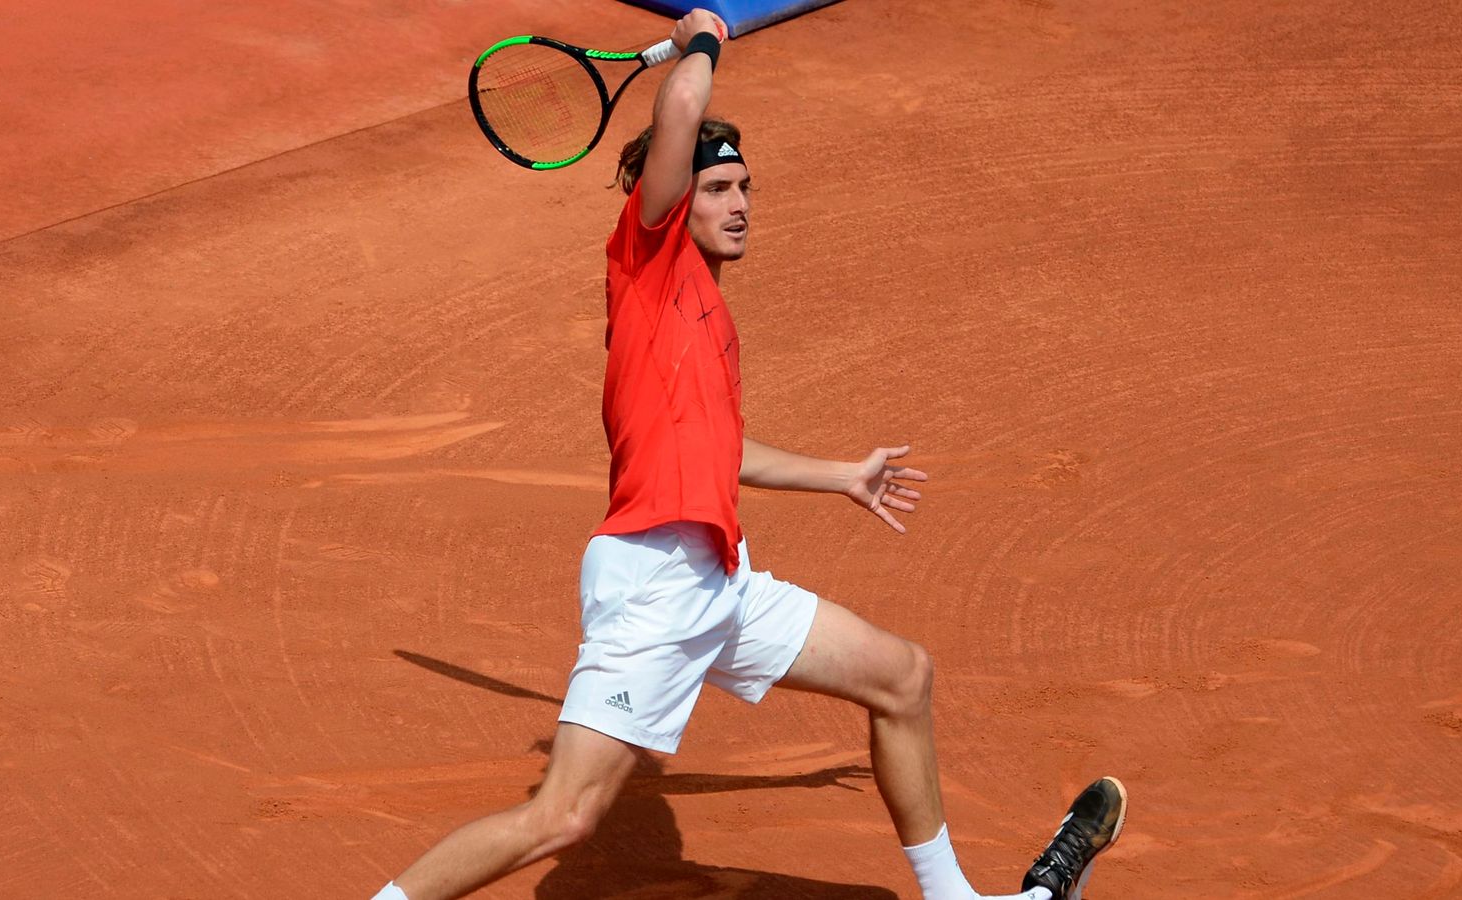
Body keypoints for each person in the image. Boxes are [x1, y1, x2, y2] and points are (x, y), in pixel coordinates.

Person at [372, 9, 1125, 899]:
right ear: (671, 196)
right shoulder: (645, 261)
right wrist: (708, 30)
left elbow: (721, 452)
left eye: (745, 188)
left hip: (718, 579)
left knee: (902, 677)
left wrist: (841, 474)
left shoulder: (710, 319)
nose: (739, 205)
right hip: (655, 579)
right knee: (564, 819)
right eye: (719, 188)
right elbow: (683, 101)